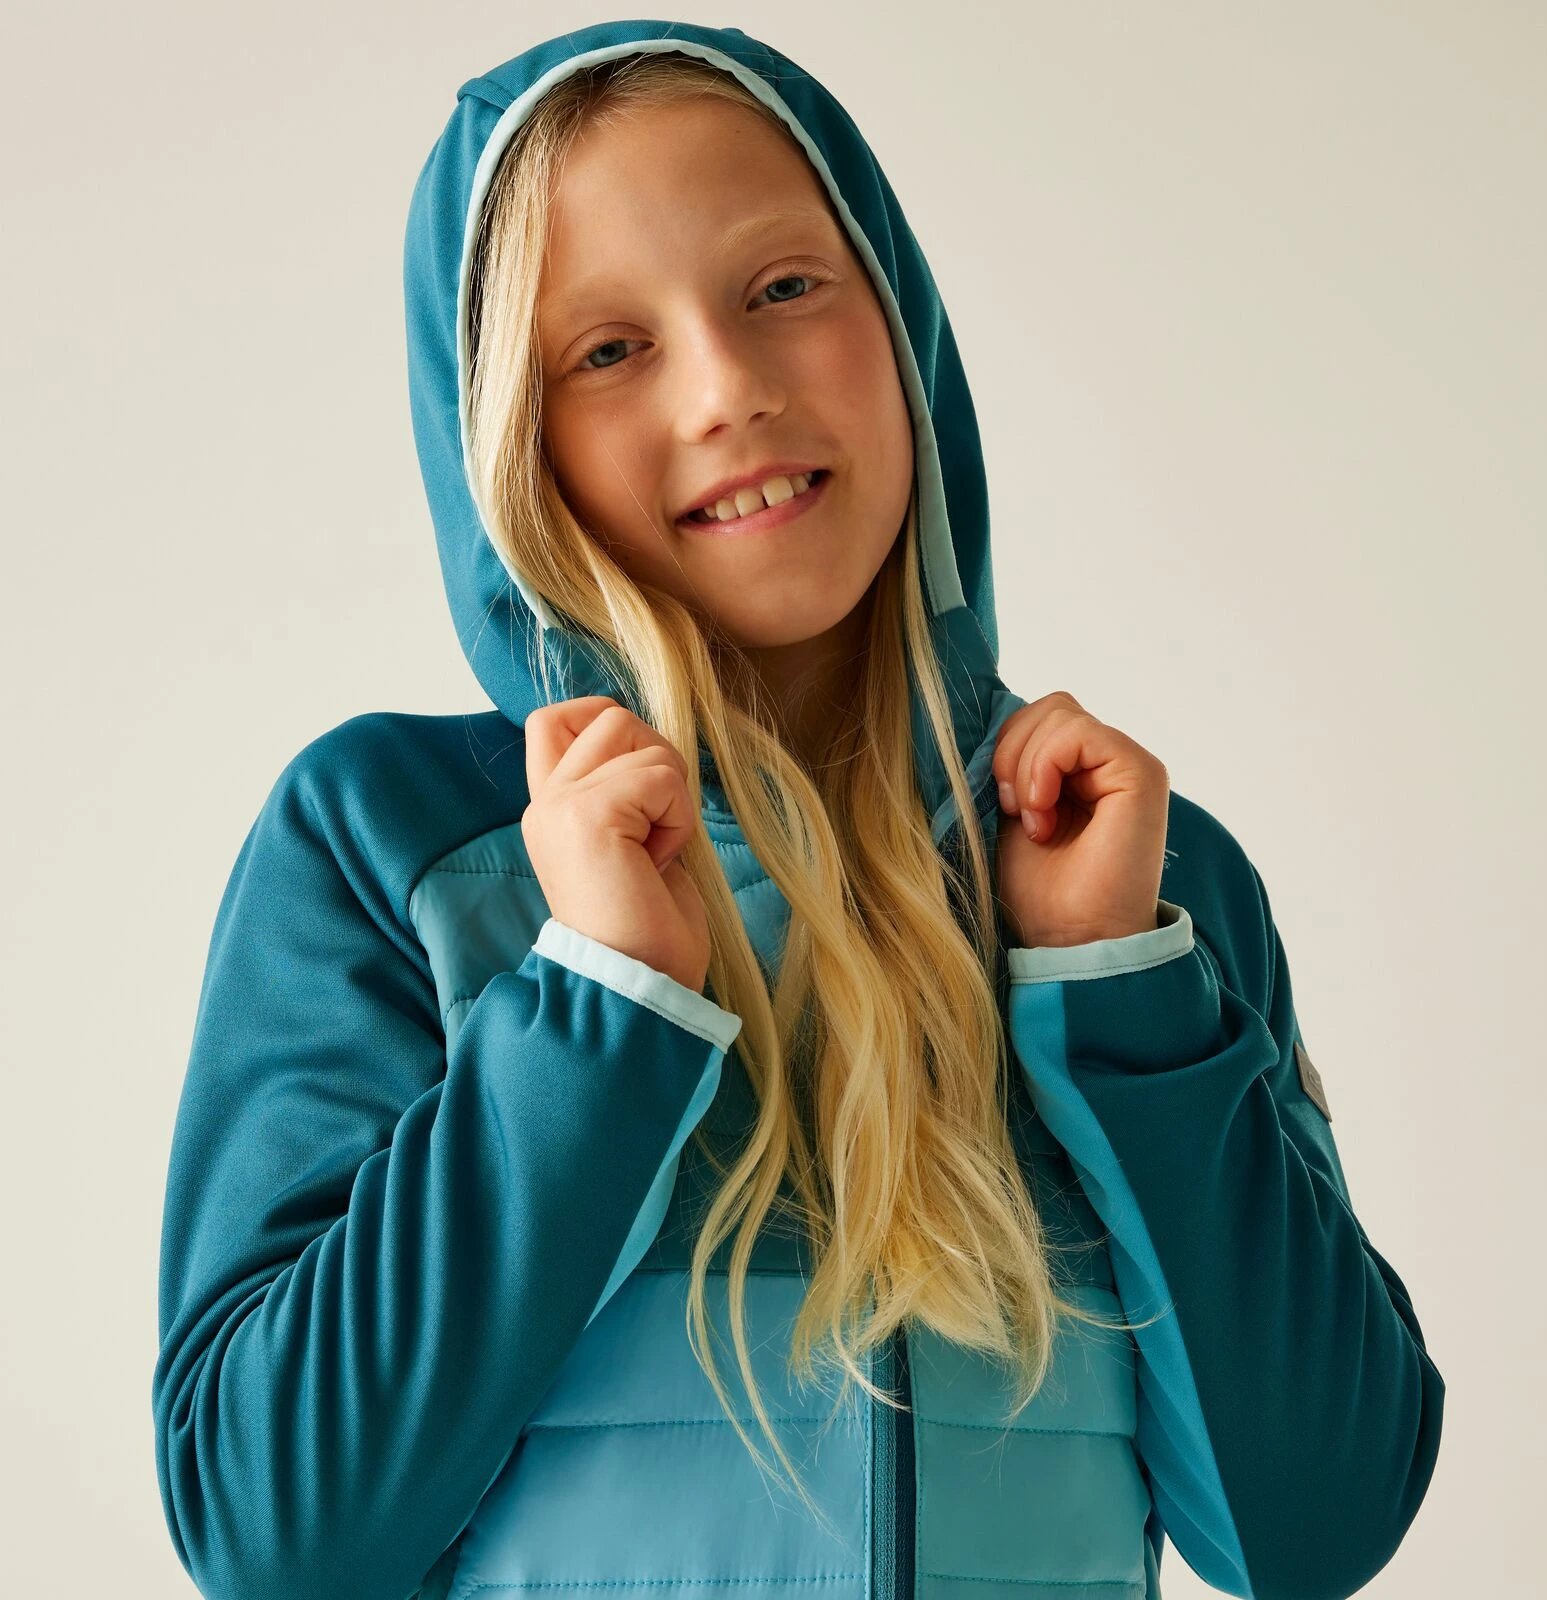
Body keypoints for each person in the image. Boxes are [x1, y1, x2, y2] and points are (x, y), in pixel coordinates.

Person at [151, 20, 1444, 1600]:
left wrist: (1116, 993)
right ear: (509, 442)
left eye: (781, 288)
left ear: (899, 323)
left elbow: (1311, 1532)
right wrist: (599, 1006)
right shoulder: (392, 845)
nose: (729, 389)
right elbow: (276, 1535)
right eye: (608, 350)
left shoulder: (1134, 876)